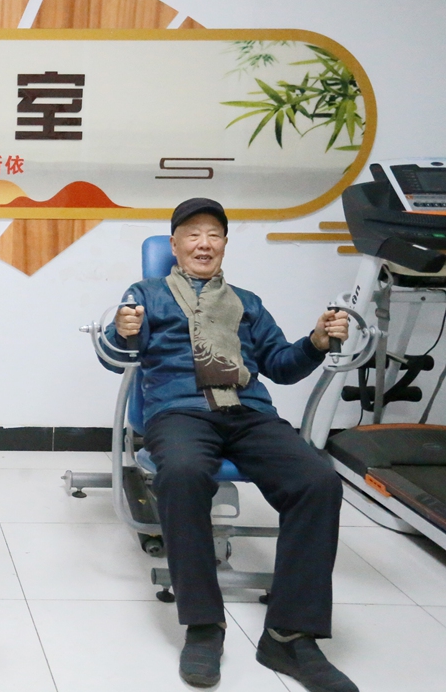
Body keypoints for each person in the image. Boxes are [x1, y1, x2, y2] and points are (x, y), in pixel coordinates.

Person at [103, 198, 355, 692]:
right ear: (174, 246)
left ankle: (289, 634)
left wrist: (317, 341)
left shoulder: (248, 302)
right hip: (180, 411)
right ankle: (203, 625)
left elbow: (282, 365)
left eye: (213, 234)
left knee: (318, 480)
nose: (204, 243)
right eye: (192, 234)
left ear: (223, 246)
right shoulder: (148, 294)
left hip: (247, 411)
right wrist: (123, 330)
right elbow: (117, 357)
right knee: (182, 473)